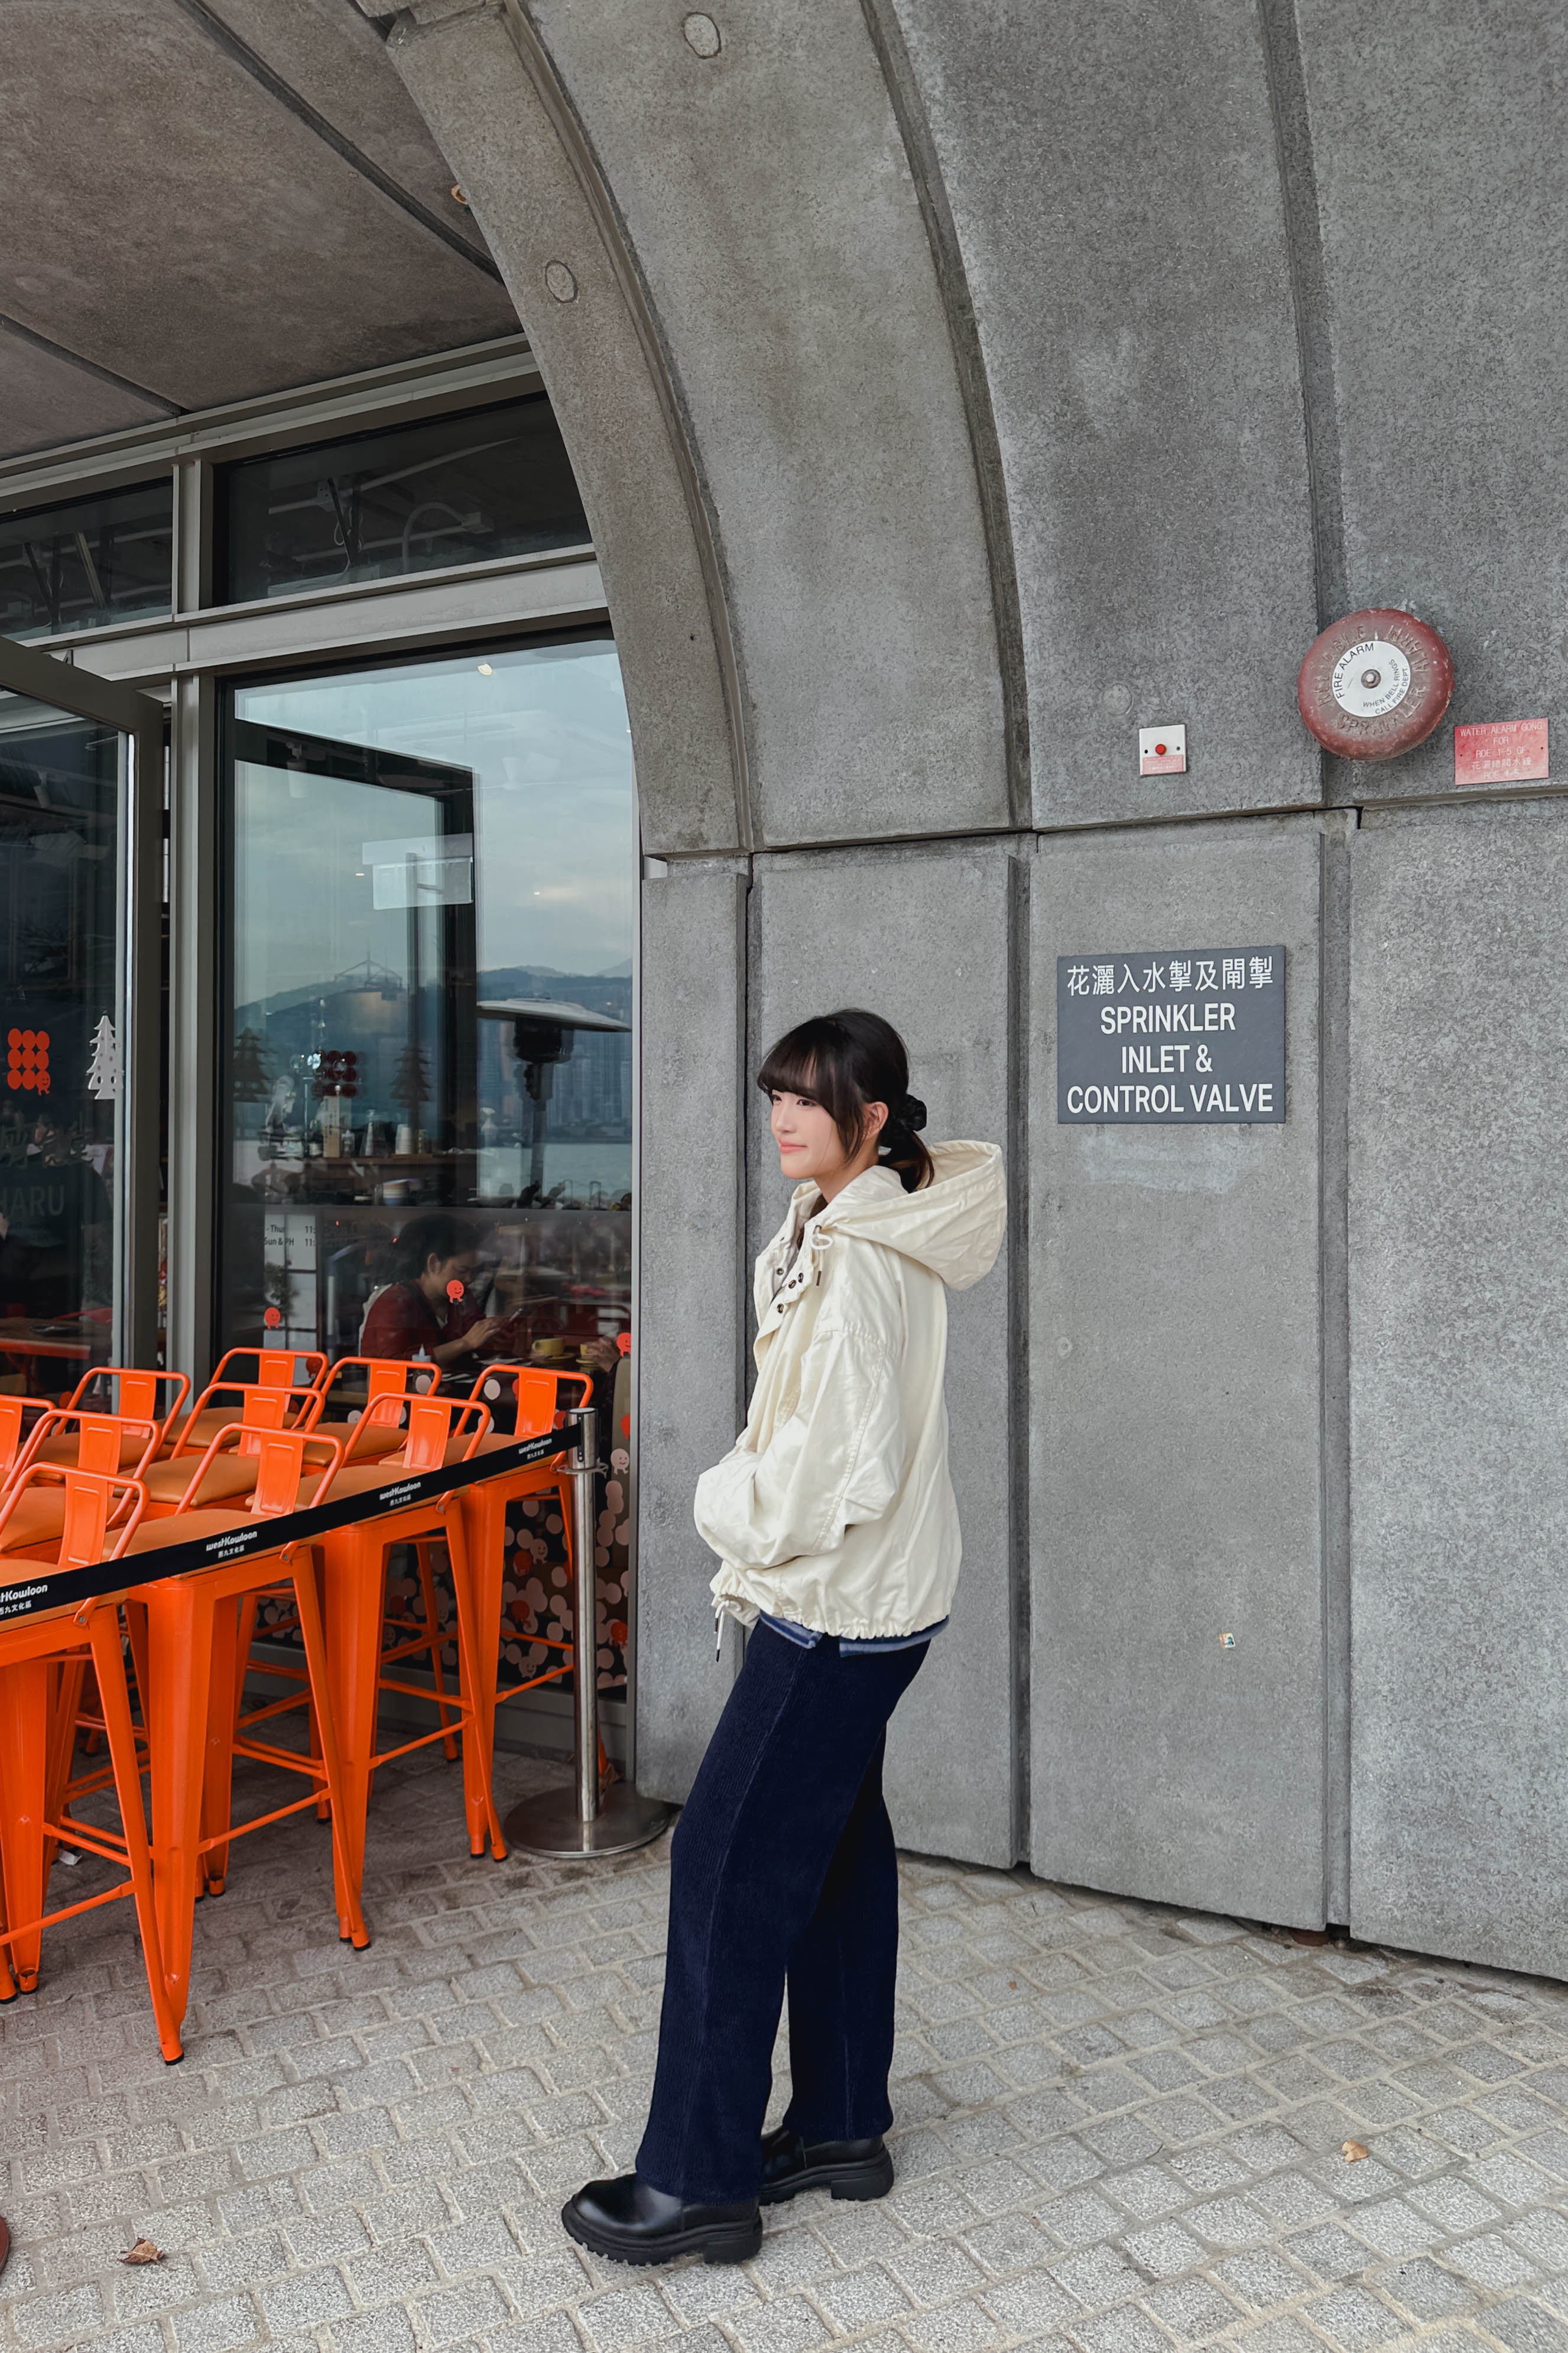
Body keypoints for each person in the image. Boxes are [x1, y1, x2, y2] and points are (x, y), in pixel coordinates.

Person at [562, 1008, 1005, 2267]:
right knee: (836, 1850)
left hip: (836, 1608)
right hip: (872, 1600)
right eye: (775, 1095)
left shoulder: (858, 1256)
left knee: (721, 1861)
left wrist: (717, 1502)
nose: (783, 1118)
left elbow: (837, 1470)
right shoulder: (852, 1224)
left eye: (808, 1098)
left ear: (872, 1117)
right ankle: (840, 2128)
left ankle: (696, 2181)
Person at [358, 1211, 507, 1370]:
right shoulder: (394, 1302)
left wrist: (494, 1336)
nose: (470, 1279)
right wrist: (465, 1343)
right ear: (433, 1264)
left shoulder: (461, 1298)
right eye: (462, 1271)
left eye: (474, 1271)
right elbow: (394, 1365)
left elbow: (478, 1339)